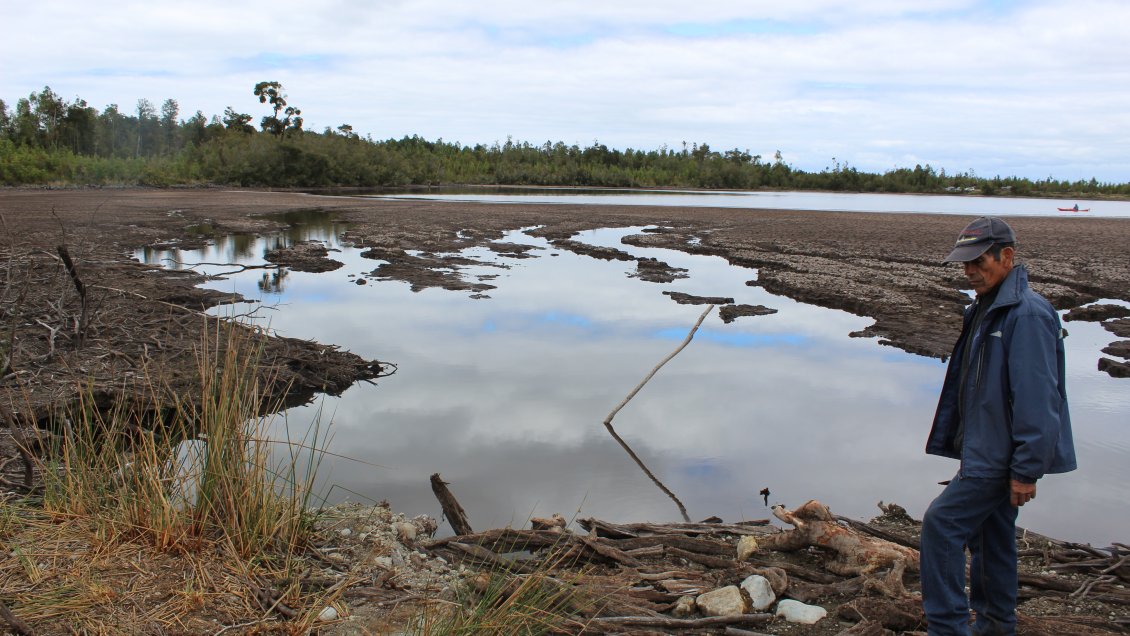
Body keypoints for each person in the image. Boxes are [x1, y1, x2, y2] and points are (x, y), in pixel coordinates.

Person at [920, 216, 1076, 636]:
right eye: (964, 264)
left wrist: (1026, 468)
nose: (969, 271)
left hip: (998, 456)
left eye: (977, 261)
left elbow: (1040, 400)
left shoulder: (1026, 315)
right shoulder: (986, 308)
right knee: (991, 538)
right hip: (986, 449)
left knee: (941, 525)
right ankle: (995, 626)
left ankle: (948, 627)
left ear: (1007, 257)